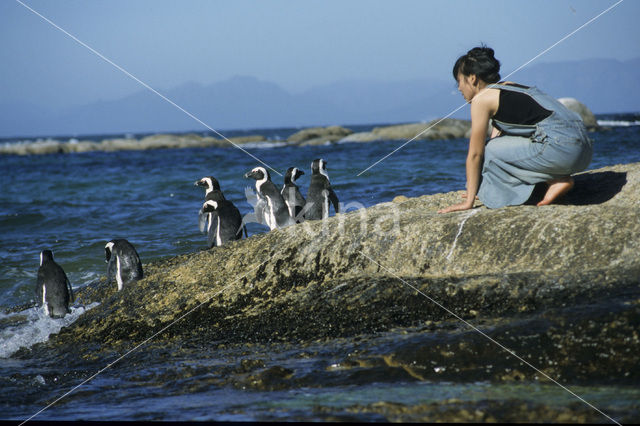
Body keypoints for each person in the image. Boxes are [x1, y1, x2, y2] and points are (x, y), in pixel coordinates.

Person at [438, 46, 592, 213]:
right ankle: (553, 180)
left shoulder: (481, 99)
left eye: (459, 81)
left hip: (562, 149)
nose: (459, 88)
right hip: (584, 149)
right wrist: (481, 187)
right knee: (495, 148)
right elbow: (500, 139)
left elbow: (476, 154)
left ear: (473, 78)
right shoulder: (510, 87)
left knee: (491, 149)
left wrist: (468, 202)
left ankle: (555, 180)